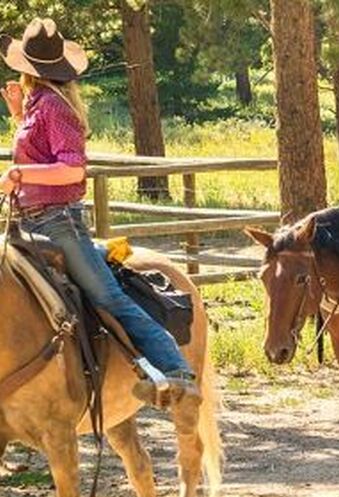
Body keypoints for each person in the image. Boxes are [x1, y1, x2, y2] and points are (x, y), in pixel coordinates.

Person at [0, 17, 199, 406]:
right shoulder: (40, 103)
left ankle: (177, 371)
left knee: (108, 297)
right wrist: (19, 116)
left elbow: (73, 168)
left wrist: (19, 172)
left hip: (58, 223)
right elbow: (42, 150)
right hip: (33, 220)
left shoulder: (54, 107)